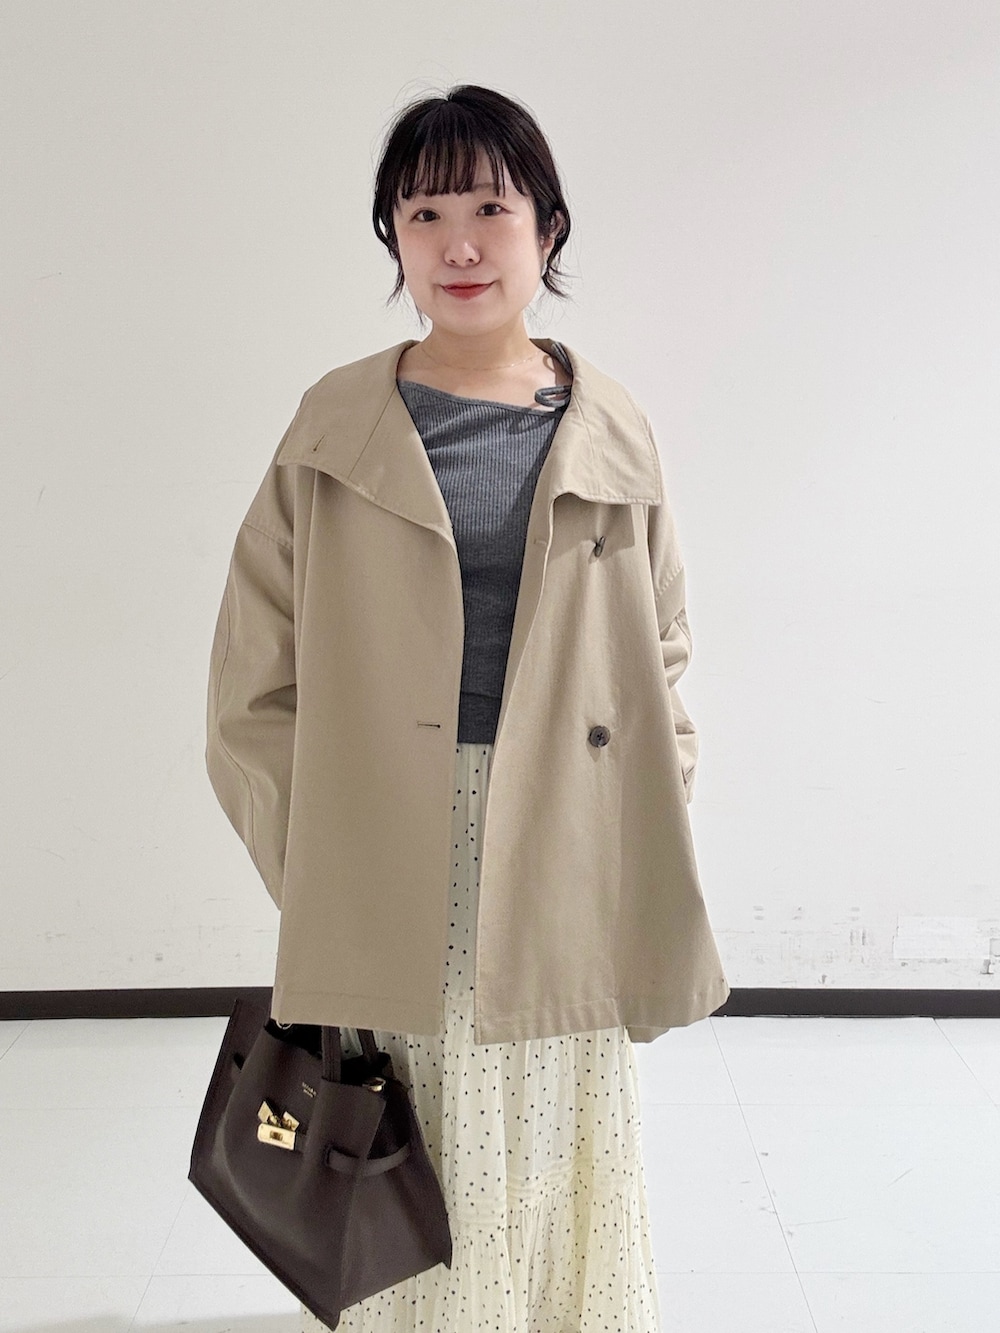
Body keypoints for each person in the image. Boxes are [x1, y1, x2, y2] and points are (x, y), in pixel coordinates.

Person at [205, 83, 729, 1332]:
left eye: (489, 208)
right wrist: (314, 861)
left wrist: (641, 818)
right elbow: (251, 679)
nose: (457, 244)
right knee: (407, 1119)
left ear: (547, 227)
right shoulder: (335, 424)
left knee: (552, 1109)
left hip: (568, 833)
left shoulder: (610, 426)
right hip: (393, 835)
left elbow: (661, 650)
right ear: (392, 236)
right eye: (423, 212)